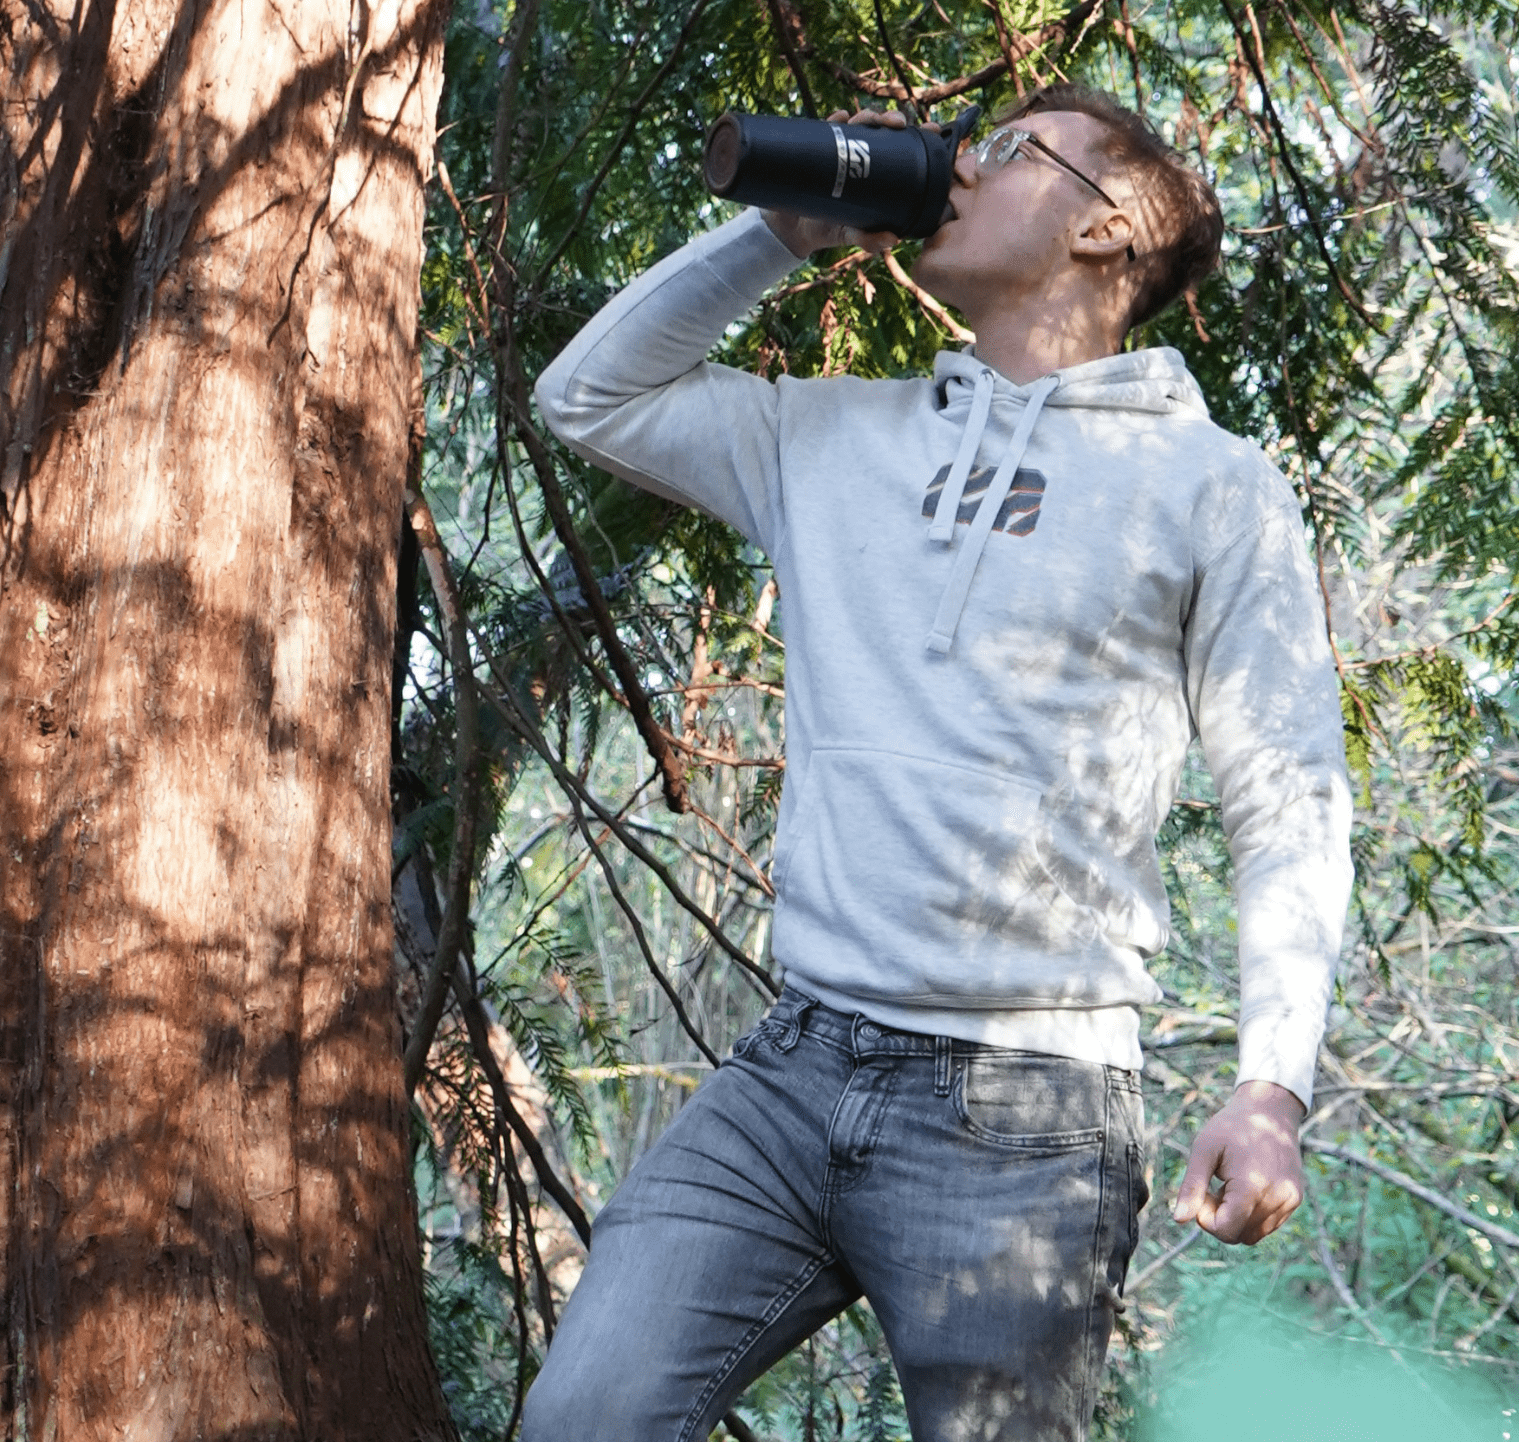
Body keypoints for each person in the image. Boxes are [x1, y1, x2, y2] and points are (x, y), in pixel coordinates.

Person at [522, 83, 1353, 1442]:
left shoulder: (1215, 488)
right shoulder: (827, 437)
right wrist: (779, 235)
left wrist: (1273, 1083)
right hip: (794, 1067)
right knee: (584, 1418)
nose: (959, 168)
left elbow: (1290, 800)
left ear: (1110, 226)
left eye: (1011, 149)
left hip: (1029, 1114)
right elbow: (586, 395)